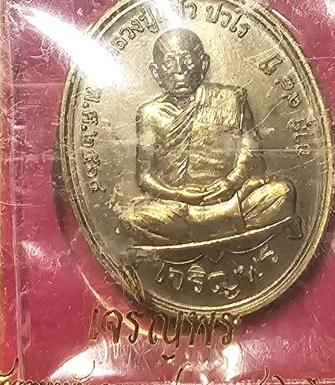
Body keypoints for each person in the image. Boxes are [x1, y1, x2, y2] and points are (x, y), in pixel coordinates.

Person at [122, 28, 298, 246]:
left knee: (281, 192)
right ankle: (224, 225)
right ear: (156, 72)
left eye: (187, 59)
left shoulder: (232, 98)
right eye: (169, 62)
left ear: (203, 64)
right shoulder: (149, 114)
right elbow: (145, 178)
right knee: (130, 218)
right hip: (179, 206)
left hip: (231, 196)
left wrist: (229, 184)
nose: (180, 70)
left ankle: (199, 230)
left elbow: (252, 155)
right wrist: (182, 195)